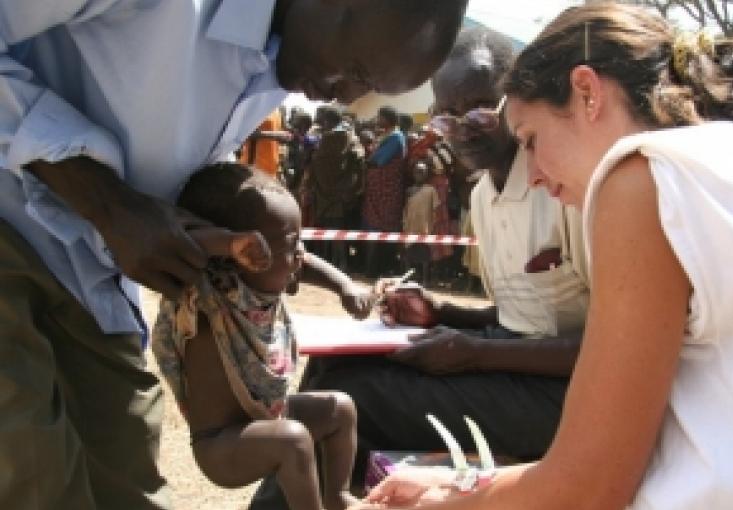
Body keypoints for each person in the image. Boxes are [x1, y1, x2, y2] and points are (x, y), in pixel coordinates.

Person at [0, 1, 468, 508]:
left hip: (89, 280)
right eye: (356, 71)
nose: (348, 95)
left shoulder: (269, 65)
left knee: (128, 486)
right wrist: (107, 201)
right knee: (32, 475)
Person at [357, 3, 733, 509]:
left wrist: (448, 503)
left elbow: (587, 489)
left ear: (587, 92)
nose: (535, 174)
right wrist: (467, 485)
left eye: (530, 138)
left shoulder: (640, 176)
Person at [301, 25, 590, 489]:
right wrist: (441, 312)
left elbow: (607, 346)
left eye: (479, 110)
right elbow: (519, 318)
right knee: (332, 368)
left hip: (568, 396)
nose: (464, 131)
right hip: (513, 366)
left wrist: (476, 353)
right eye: (447, 117)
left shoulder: (563, 189)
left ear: (515, 99)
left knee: (354, 396)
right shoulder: (483, 198)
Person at [152, 163, 361, 510]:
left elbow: (303, 261)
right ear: (241, 255)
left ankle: (338, 497)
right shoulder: (206, 293)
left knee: (341, 409)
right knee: (293, 441)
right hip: (222, 444)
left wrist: (345, 286)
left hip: (270, 419)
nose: (299, 256)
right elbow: (182, 241)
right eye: (290, 244)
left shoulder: (266, 284)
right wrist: (228, 244)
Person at [306, 106, 366, 272]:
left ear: (326, 120)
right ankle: (333, 264)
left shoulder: (334, 137)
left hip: (333, 190)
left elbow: (320, 160)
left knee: (334, 229)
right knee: (331, 229)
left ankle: (335, 265)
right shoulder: (350, 135)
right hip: (339, 188)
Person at [362, 106, 407, 277]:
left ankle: (379, 269)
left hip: (387, 191)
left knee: (384, 230)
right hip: (377, 191)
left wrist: (367, 161)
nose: (377, 120)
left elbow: (378, 160)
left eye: (380, 117)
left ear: (389, 119)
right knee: (375, 229)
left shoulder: (395, 137)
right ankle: (372, 267)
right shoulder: (386, 136)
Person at [401, 161, 440, 287]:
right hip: (410, 226)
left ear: (426, 174)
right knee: (408, 255)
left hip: (425, 228)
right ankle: (407, 279)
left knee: (425, 257)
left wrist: (433, 225)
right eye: (417, 172)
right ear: (413, 174)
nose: (419, 174)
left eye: (422, 172)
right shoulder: (409, 191)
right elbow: (405, 208)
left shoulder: (431, 190)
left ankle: (425, 280)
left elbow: (435, 209)